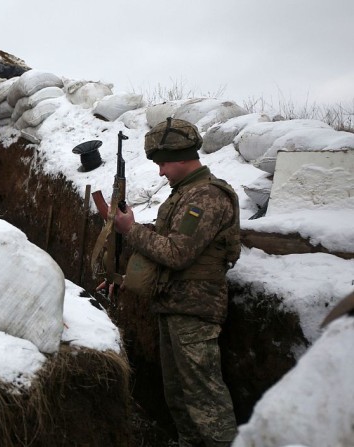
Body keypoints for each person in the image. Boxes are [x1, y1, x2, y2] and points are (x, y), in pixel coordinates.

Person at [114, 117, 241, 447]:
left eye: (163, 163)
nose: (159, 172)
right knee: (178, 396)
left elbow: (177, 253)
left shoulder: (206, 197)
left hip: (195, 311)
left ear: (183, 156)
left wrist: (131, 230)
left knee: (206, 403)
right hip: (174, 305)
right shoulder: (185, 194)